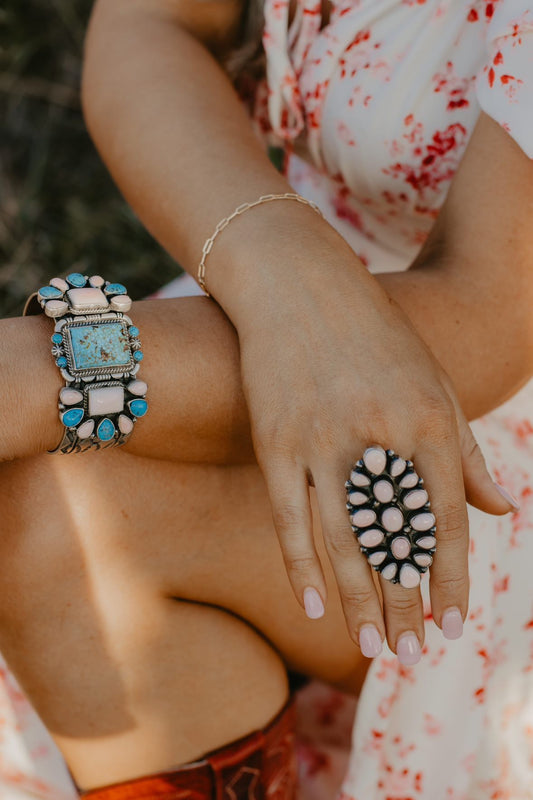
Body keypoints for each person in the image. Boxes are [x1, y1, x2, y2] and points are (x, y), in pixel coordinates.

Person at [0, 0, 531, 798]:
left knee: (70, 505)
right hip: (272, 292)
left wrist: (46, 369)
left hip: (474, 409)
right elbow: (154, 22)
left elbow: (489, 320)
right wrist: (280, 264)